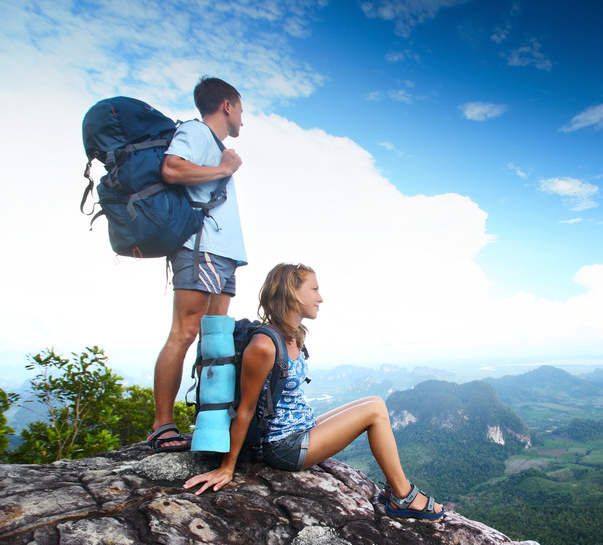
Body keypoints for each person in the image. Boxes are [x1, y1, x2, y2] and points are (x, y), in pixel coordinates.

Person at [183, 264, 445, 521]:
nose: (321, 298)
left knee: (375, 401)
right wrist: (227, 468)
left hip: (301, 428)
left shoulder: (292, 335)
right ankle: (402, 495)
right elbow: (246, 409)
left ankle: (392, 487)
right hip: (284, 446)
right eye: (315, 289)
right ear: (292, 293)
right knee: (374, 412)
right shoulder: (264, 345)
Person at [148, 77, 247, 453]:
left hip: (223, 254)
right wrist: (224, 168)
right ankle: (162, 426)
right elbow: (172, 169)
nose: (243, 118)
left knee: (216, 341)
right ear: (227, 105)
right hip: (200, 249)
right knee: (186, 331)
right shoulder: (195, 132)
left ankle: (210, 428)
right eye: (241, 109)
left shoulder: (216, 146)